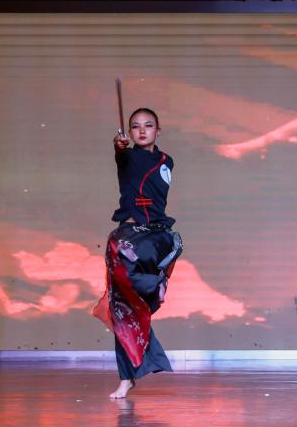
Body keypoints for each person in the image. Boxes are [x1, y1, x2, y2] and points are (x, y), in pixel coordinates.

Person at [92, 108, 183, 400]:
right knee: (122, 310)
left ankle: (153, 284)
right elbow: (123, 157)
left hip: (154, 236)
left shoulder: (166, 161)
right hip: (130, 236)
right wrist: (118, 148)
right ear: (129, 133)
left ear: (158, 130)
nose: (142, 131)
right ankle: (126, 378)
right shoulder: (128, 156)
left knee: (127, 306)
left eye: (148, 125)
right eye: (135, 127)